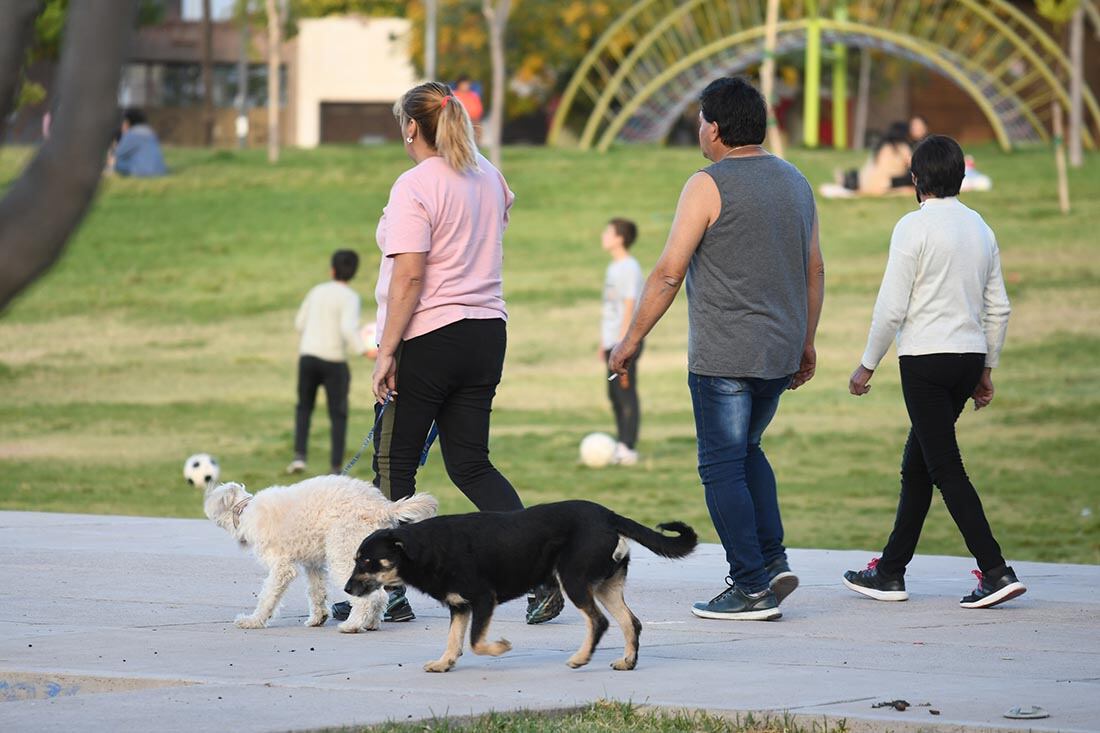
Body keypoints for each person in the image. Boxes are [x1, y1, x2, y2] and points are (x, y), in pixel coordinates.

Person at [332, 80, 564, 626]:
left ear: (411, 126)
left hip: (431, 336)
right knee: (470, 463)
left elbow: (411, 274)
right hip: (486, 334)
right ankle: (541, 574)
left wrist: (387, 351)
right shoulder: (488, 175)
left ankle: (386, 591)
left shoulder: (415, 185)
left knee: (394, 462)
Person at [609, 77, 825, 621]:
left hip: (725, 357)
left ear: (718, 128)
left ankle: (750, 586)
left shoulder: (707, 184)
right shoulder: (796, 181)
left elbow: (668, 272)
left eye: (701, 119)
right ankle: (772, 563)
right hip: (778, 353)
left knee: (721, 466)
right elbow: (814, 268)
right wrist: (807, 341)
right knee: (748, 451)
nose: (699, 129)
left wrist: (630, 340)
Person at [844, 135, 1025, 609]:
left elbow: (891, 307)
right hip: (967, 360)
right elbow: (998, 308)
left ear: (916, 179)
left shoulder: (912, 227)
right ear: (961, 177)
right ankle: (889, 571)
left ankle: (995, 569)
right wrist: (987, 369)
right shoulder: (981, 228)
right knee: (918, 465)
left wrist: (866, 365)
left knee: (944, 467)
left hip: (925, 362)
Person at [289, 249, 370, 476]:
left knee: (304, 407)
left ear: (332, 269)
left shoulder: (317, 291)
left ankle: (299, 457)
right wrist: (364, 350)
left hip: (308, 356)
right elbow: (347, 328)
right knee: (338, 414)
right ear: (353, 272)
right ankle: (335, 467)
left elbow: (299, 323)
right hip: (334, 360)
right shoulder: (350, 297)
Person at [600, 218, 644, 465]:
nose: (603, 235)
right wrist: (603, 344)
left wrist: (624, 342)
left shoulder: (629, 267)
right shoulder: (613, 267)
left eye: (608, 232)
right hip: (611, 342)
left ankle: (628, 447)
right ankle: (620, 443)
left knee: (626, 393)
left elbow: (630, 304)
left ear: (619, 238)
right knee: (614, 394)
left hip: (624, 343)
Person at [840, 121, 912, 195]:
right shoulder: (903, 148)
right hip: (885, 185)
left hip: (866, 183)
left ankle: (847, 180)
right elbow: (911, 165)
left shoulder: (881, 145)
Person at [111, 108, 167, 177]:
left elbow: (118, 154)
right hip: (160, 171)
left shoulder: (132, 134)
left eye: (123, 122)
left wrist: (115, 143)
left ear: (128, 121)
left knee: (115, 161)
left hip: (143, 172)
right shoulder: (150, 132)